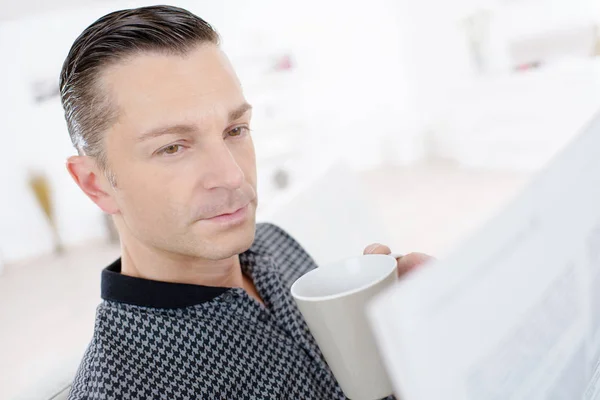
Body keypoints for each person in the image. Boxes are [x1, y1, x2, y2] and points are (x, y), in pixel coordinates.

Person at [61, 5, 432, 399]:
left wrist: (407, 334)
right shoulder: (118, 389)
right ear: (94, 183)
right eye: (172, 147)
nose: (232, 176)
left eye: (235, 129)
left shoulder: (274, 243)